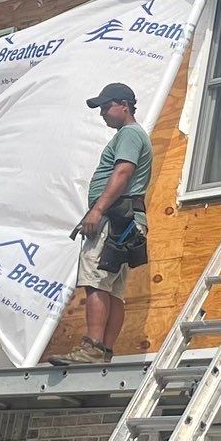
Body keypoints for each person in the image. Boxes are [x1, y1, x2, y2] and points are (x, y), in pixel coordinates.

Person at [59, 81, 153, 366]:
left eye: (105, 106)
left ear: (124, 106)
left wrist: (97, 210)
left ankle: (92, 348)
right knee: (113, 290)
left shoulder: (129, 134)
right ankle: (104, 352)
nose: (101, 113)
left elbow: (123, 172)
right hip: (126, 221)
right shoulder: (134, 135)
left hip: (114, 219)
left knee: (96, 283)